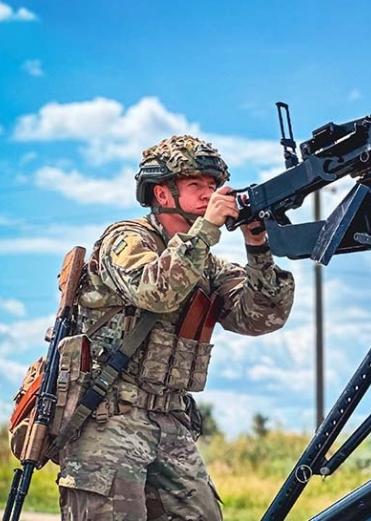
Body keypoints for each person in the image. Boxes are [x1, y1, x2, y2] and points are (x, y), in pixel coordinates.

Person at [56, 134, 294, 520]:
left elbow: (261, 316)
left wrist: (258, 245)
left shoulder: (207, 263)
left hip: (171, 420)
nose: (209, 194)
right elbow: (156, 291)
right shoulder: (125, 239)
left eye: (214, 186)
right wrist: (208, 229)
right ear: (162, 194)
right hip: (109, 417)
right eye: (195, 185)